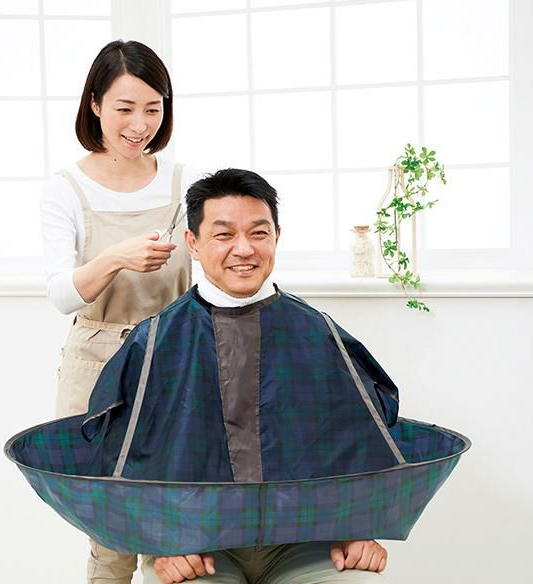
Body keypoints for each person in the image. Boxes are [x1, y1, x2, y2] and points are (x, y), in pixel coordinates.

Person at [80, 168, 397, 583]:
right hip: (195, 543)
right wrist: (163, 541)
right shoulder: (154, 340)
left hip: (304, 537)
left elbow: (364, 432)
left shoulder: (318, 332)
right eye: (224, 235)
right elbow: (118, 454)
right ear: (193, 243)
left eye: (258, 233)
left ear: (277, 237)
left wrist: (359, 528)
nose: (243, 249)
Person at [40, 39, 201, 584]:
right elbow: (62, 294)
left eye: (153, 109)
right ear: (94, 105)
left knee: (172, 527)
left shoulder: (184, 182)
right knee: (108, 531)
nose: (140, 125)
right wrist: (116, 258)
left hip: (174, 357)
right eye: (125, 108)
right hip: (97, 360)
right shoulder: (66, 189)